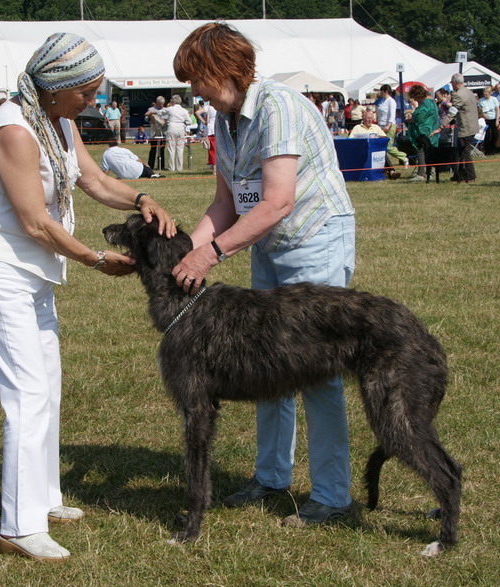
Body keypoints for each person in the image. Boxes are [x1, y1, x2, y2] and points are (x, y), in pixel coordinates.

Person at [0, 32, 175, 562]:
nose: (93, 101)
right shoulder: (13, 129)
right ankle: (18, 525)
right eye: (86, 92)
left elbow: (96, 180)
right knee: (27, 394)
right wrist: (95, 259)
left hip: (34, 273)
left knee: (47, 387)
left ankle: (45, 498)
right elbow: (34, 221)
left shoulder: (57, 120)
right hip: (1, 269)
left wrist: (143, 197)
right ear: (55, 86)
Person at [171, 23, 355, 527]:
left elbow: (277, 201)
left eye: (197, 79)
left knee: (318, 371)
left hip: (312, 239)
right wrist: (187, 250)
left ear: (226, 70)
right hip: (266, 240)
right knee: (266, 365)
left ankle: (332, 496)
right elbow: (227, 202)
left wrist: (211, 256)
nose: (194, 92)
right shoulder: (224, 120)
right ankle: (271, 476)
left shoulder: (279, 108)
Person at [442, 73, 479, 183]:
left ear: (454, 82)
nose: (451, 85)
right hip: (472, 126)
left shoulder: (458, 95)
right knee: (462, 152)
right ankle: (460, 175)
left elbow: (452, 112)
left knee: (464, 153)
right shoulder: (469, 92)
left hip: (465, 128)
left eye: (451, 83)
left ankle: (470, 176)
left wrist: (442, 125)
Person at [404, 85, 440, 181]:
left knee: (421, 152)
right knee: (429, 153)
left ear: (419, 95)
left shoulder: (425, 104)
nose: (415, 100)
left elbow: (418, 117)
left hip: (424, 133)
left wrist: (410, 119)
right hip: (432, 131)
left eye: (415, 97)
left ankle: (421, 174)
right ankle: (429, 172)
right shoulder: (432, 101)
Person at [376, 84, 409, 167]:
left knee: (388, 146)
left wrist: (388, 125)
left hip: (389, 126)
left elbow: (392, 114)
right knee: (381, 146)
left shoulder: (391, 101)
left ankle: (403, 156)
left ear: (385, 91)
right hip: (381, 126)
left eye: (381, 91)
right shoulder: (382, 101)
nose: (380, 93)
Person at [161, 94, 191, 172]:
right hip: (181, 128)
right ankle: (179, 167)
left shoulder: (170, 109)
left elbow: (161, 112)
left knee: (171, 148)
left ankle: (171, 167)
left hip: (171, 127)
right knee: (180, 149)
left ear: (173, 101)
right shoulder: (184, 110)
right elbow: (189, 121)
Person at [145, 96, 167, 170]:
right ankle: (150, 166)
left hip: (163, 132)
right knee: (153, 149)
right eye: (160, 104)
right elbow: (146, 118)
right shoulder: (151, 109)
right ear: (157, 103)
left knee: (161, 150)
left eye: (162, 104)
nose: (161, 105)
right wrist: (150, 119)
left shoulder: (165, 110)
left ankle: (161, 166)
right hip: (154, 132)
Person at [478, 85, 500, 156]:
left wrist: (497, 120)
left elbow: (497, 110)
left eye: (487, 92)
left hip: (493, 119)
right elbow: (479, 110)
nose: (485, 94)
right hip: (485, 120)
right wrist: (483, 115)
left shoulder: (494, 99)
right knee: (487, 136)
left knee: (495, 134)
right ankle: (487, 151)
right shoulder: (481, 100)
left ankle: (494, 148)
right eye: (484, 92)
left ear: (490, 92)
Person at [204, 100, 217, 173]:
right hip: (218, 128)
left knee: (212, 150)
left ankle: (214, 169)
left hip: (211, 129)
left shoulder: (208, 107)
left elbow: (197, 112)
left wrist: (204, 121)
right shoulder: (219, 105)